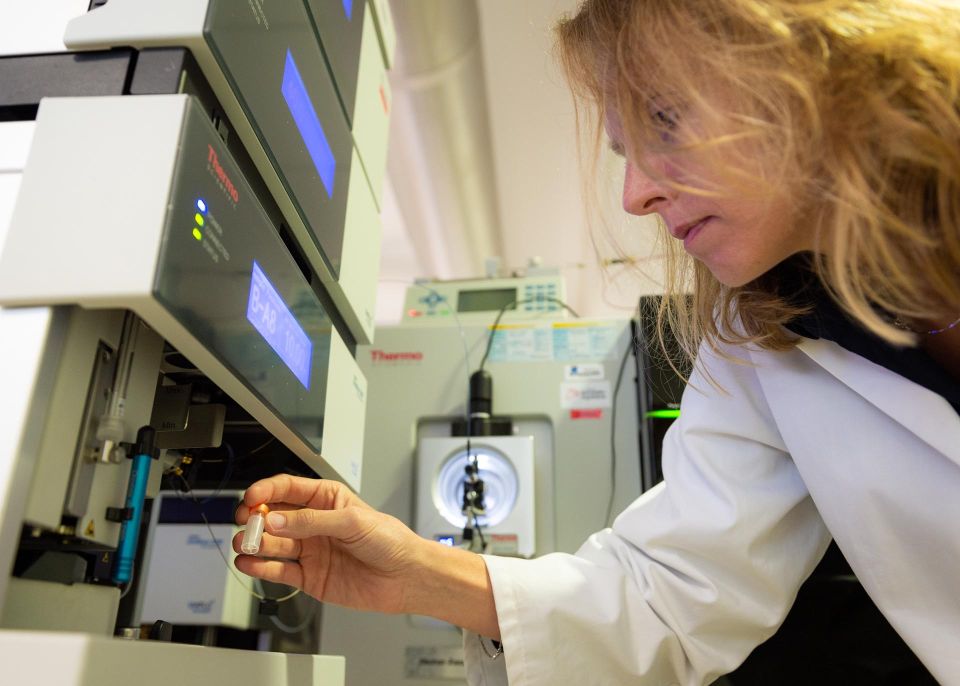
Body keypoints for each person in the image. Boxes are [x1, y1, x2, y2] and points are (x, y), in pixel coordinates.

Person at [233, 1, 960, 683]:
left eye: (666, 120)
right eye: (625, 152)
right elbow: (671, 594)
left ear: (810, 63)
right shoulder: (759, 343)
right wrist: (421, 574)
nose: (633, 195)